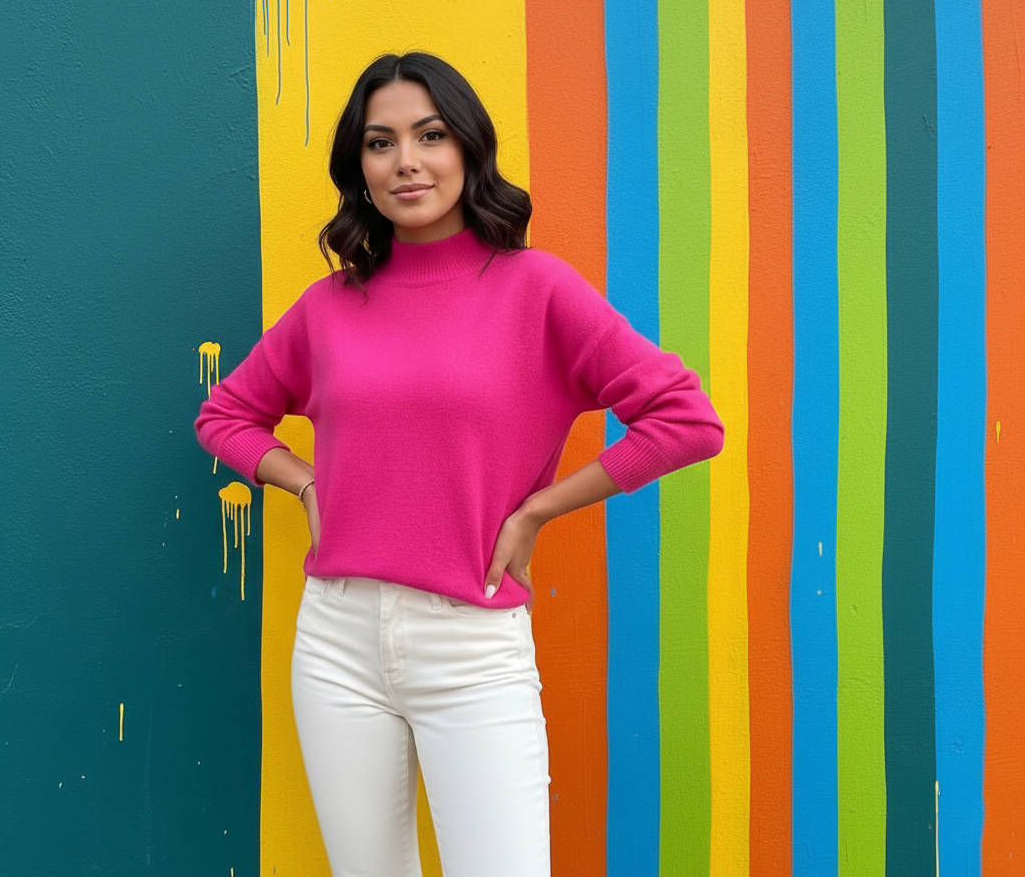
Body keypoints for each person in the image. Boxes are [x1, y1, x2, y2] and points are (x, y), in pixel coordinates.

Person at [195, 51, 723, 877]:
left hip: (471, 643)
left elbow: (687, 420)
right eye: (381, 142)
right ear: (359, 169)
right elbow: (225, 414)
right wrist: (300, 480)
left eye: (430, 135)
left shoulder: (535, 289)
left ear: (469, 149)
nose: (406, 161)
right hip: (336, 639)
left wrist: (537, 509)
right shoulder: (332, 305)